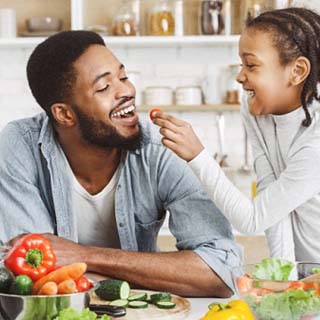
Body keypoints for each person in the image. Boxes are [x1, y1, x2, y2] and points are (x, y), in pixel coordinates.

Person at [0, 30, 242, 297]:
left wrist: (84, 256)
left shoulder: (162, 149)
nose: (126, 91)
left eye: (124, 77)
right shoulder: (19, 145)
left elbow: (221, 272)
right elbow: (32, 276)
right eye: (104, 87)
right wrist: (155, 274)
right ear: (65, 114)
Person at [153, 7, 320, 262]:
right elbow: (271, 200)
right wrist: (285, 279)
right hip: (310, 276)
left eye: (251, 65)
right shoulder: (256, 110)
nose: (240, 77)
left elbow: (252, 220)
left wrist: (198, 156)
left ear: (297, 71)